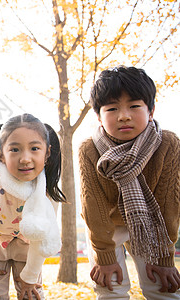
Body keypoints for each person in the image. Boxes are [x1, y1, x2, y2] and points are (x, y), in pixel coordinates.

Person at [79, 66, 180, 299]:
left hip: (150, 223)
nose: (123, 115)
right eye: (112, 108)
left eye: (134, 106)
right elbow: (93, 206)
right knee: (110, 287)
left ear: (151, 110)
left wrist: (165, 258)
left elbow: (168, 205)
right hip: (106, 228)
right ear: (99, 116)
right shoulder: (89, 149)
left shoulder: (168, 144)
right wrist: (104, 256)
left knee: (163, 288)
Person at [0, 113, 66, 300]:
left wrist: (30, 276)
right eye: (15, 150)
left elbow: (41, 238)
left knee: (31, 293)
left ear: (47, 153)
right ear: (1, 153)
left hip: (29, 250)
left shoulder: (46, 192)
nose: (25, 158)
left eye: (34, 148)